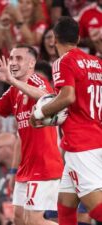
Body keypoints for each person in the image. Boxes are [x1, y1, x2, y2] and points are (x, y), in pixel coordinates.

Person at [0, 45, 64, 225]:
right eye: (11, 58)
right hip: (25, 167)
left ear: (31, 63)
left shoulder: (38, 81)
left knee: (35, 221)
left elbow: (45, 97)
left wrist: (11, 80)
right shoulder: (14, 91)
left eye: (19, 59)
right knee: (19, 219)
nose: (13, 62)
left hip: (44, 164)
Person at [30, 16, 102, 225]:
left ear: (54, 39)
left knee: (96, 208)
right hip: (94, 136)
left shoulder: (64, 61)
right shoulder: (97, 63)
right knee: (65, 203)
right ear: (79, 38)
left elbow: (67, 96)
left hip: (82, 144)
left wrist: (39, 113)